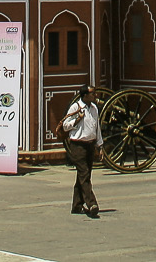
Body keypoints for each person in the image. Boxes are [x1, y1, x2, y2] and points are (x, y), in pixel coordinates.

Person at [58, 85, 102, 219]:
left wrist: (100, 146)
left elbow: (97, 127)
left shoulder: (94, 108)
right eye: (92, 93)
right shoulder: (76, 107)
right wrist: (77, 119)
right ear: (84, 96)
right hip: (78, 145)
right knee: (84, 174)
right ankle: (92, 203)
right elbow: (65, 125)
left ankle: (77, 205)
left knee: (83, 175)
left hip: (90, 144)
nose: (94, 96)